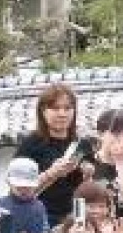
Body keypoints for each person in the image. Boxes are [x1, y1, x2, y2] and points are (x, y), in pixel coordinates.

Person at [11, 83, 91, 225]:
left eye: (67, 108)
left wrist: (87, 174)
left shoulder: (81, 144)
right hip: (40, 218)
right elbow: (16, 190)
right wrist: (51, 173)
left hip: (75, 219)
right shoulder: (30, 143)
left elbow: (86, 192)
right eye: (55, 108)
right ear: (43, 111)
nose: (62, 113)